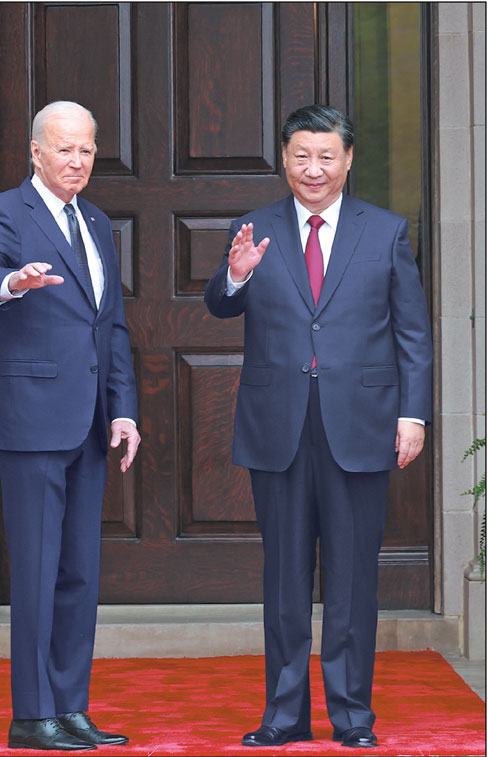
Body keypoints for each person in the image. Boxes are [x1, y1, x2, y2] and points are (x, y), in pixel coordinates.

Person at [205, 105, 432, 750]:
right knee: (284, 578)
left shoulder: (384, 231)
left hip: (360, 424)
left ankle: (353, 717)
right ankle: (283, 715)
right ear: (284, 157)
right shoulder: (255, 227)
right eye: (301, 155)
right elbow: (221, 306)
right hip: (278, 424)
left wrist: (411, 414)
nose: (314, 168)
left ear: (348, 160)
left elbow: (412, 334)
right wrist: (236, 274)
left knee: (354, 577)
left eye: (326, 156)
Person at [0, 101, 141, 751]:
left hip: (90, 422)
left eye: (87, 150)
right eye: (65, 149)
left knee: (78, 574)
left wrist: (123, 409)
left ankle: (71, 706)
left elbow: (111, 325)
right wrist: (12, 280)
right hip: (32, 420)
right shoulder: (7, 211)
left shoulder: (96, 221)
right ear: (35, 151)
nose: (78, 161)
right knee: (36, 573)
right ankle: (31, 714)